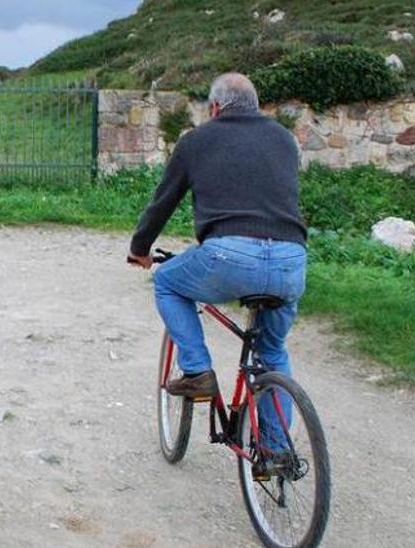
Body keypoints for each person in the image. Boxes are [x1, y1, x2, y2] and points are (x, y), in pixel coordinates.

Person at [127, 73, 307, 406]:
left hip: (229, 256)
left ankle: (197, 371)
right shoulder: (283, 138)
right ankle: (277, 453)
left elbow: (163, 202)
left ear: (214, 107)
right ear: (256, 106)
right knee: (272, 353)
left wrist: (140, 249)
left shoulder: (196, 141)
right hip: (290, 260)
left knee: (167, 280)